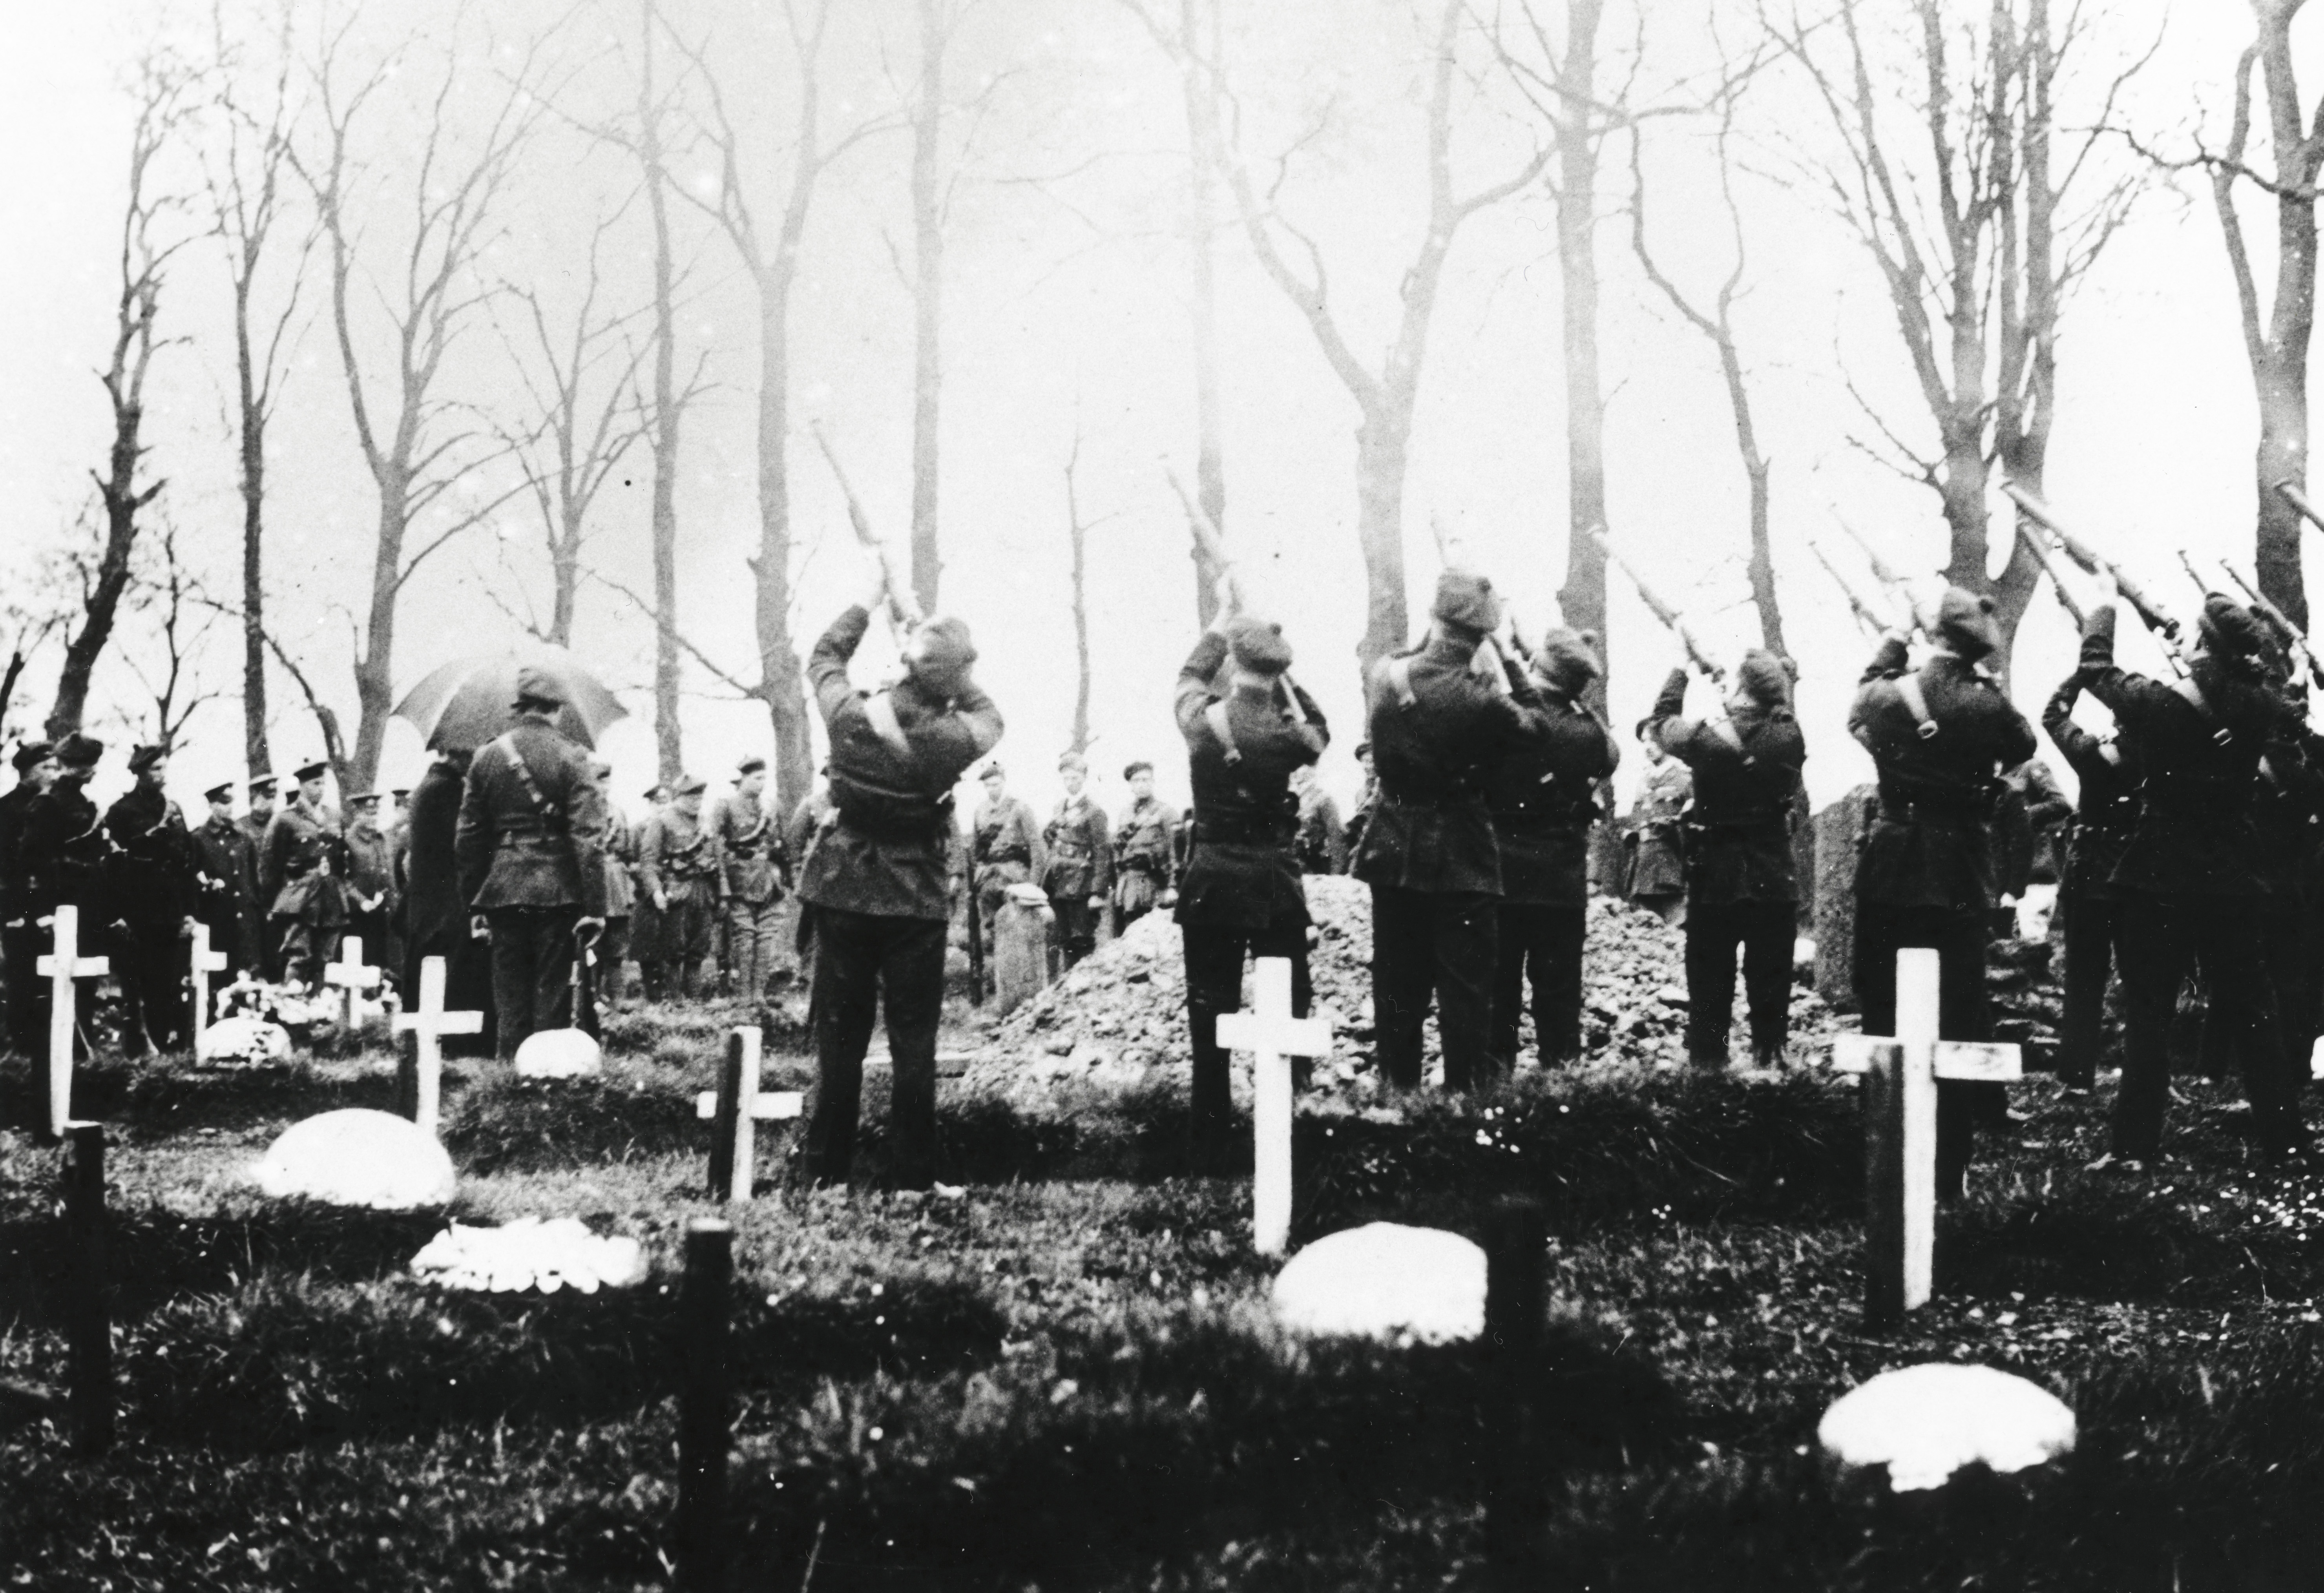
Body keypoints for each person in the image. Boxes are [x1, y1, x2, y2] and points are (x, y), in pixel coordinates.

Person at [2077, 588, 2313, 1166]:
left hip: (2159, 873)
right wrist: (2197, 656)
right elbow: (2275, 695)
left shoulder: (2160, 701)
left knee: (2149, 1012)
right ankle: (2285, 1143)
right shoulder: (2260, 701)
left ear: (2202, 641)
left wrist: (2104, 601)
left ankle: (2134, 1147)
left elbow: (2094, 669)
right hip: (2231, 875)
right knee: (2255, 1011)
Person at [795, 562, 1002, 1189]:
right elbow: (985, 706)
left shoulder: (851, 717)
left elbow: (824, 657)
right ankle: (912, 1177)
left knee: (840, 1040)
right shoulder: (960, 735)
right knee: (915, 1042)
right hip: (914, 898)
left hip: (844, 887)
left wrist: (866, 602)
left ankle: (825, 1173)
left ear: (907, 665)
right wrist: (930, 640)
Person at [1847, 588, 2037, 1200]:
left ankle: (1876, 1154)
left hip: (1892, 861)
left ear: (1930, 633)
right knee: (1957, 1012)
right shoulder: (1986, 704)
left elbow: (1862, 695)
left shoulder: (1886, 695)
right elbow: (2024, 744)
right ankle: (1949, 1168)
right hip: (1958, 868)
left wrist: (1894, 639)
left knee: (1879, 1006)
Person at [1351, 569, 1548, 1093]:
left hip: (1393, 845)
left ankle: (1397, 1097)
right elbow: (1538, 726)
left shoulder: (1384, 674)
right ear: (1483, 634)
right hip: (1462, 850)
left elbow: (1412, 660)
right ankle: (1462, 1107)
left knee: (1397, 985)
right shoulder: (1484, 699)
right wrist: (1508, 659)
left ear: (1435, 617)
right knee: (1465, 990)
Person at [1172, 587, 1329, 1162]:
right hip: (1274, 885)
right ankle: (1296, 1132)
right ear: (1278, 669)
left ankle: (1208, 1144)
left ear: (1234, 664)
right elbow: (1320, 727)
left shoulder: (1200, 721)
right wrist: (1286, 674)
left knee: (1208, 1014)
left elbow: (1190, 673)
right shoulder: (1291, 735)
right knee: (1288, 1013)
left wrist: (1219, 622)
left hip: (1211, 880)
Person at [1642, 650, 1807, 1071]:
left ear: (1741, 688)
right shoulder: (1790, 736)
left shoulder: (1707, 740)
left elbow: (1660, 723)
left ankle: (1707, 1071)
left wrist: (1680, 665)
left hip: (1716, 879)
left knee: (1710, 984)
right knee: (1770, 985)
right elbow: (1762, 723)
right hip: (1773, 878)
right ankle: (1770, 1067)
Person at [454, 668, 608, 1060]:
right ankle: (543, 1084)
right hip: (555, 895)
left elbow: (469, 839)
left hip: (504, 893)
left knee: (509, 995)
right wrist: (594, 908)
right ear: (557, 710)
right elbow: (588, 841)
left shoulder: (486, 758)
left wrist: (475, 903)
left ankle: (508, 1079)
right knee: (551, 993)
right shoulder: (573, 757)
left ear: (520, 708)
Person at [1487, 628, 1617, 1076]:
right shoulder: (1587, 730)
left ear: (1538, 665)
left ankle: (1492, 1090)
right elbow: (1610, 755)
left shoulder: (1506, 716)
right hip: (1560, 881)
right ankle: (1562, 1088)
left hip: (1501, 873)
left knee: (1496, 993)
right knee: (1559, 995)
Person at [20, 734, 111, 1075]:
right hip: (59, 906)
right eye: (87, 767)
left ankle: (81, 1053)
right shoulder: (47, 805)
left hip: (87, 905)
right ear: (73, 767)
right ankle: (56, 1057)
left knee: (84, 981)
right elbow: (33, 863)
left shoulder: (85, 805)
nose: (92, 773)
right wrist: (42, 912)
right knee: (54, 987)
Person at [102, 744, 201, 1054]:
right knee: (139, 986)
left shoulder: (173, 808)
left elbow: (187, 863)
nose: (162, 775)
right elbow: (112, 869)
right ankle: (139, 1051)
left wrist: (189, 912)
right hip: (138, 911)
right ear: (140, 772)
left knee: (170, 983)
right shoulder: (121, 812)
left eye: (164, 768)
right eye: (156, 769)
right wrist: (117, 914)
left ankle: (166, 1048)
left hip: (170, 909)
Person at [399, 749, 495, 1057]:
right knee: (452, 980)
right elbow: (464, 842)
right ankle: (457, 1050)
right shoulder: (446, 790)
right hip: (446, 906)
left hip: (430, 905)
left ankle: (436, 1049)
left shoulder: (432, 785)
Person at [261, 761, 348, 989]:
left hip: (330, 897)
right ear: (302, 786)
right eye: (315, 784)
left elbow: (342, 860)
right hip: (299, 899)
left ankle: (321, 1012)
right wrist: (271, 905)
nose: (321, 789)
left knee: (326, 959)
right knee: (299, 956)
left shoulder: (334, 816)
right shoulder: (285, 819)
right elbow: (270, 866)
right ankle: (293, 1012)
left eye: (323, 784)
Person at [714, 755, 789, 1000]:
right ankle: (744, 996)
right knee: (744, 939)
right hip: (739, 880)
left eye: (764, 779)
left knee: (766, 938)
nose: (761, 784)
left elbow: (780, 843)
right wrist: (723, 884)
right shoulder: (726, 805)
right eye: (757, 779)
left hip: (768, 880)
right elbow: (715, 844)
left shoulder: (771, 806)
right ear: (743, 779)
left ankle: (759, 995)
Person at [0, 740, 59, 1054]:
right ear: (27, 770)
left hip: (52, 911)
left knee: (51, 982)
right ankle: (22, 1050)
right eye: (46, 767)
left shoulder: (54, 808)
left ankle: (49, 1048)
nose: (54, 774)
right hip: (19, 913)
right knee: (22, 980)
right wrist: (12, 913)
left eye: (55, 767)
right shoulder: (7, 809)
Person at [638, 776, 719, 1000]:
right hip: (676, 890)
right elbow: (648, 861)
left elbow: (716, 856)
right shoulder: (663, 821)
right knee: (674, 949)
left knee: (699, 949)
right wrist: (656, 891)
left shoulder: (705, 822)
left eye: (700, 797)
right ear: (679, 797)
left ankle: (693, 1000)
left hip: (703, 890)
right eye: (692, 797)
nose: (697, 802)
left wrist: (721, 894)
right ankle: (675, 1002)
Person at [1041, 750, 1112, 969]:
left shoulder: (1094, 812)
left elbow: (1102, 853)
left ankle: (1085, 989)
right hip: (1058, 884)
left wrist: (1098, 892)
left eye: (1075, 778)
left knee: (1082, 940)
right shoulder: (1058, 808)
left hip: (1081, 885)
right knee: (1064, 940)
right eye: (1066, 778)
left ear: (1084, 778)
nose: (1071, 782)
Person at [191, 780, 263, 980]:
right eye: (223, 802)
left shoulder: (244, 838)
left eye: (230, 801)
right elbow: (192, 882)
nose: (228, 807)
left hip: (245, 921)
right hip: (217, 919)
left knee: (247, 978)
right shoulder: (199, 839)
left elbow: (254, 881)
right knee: (218, 976)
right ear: (211, 804)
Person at [969, 762, 1042, 957]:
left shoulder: (1019, 808)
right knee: (992, 933)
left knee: (1018, 927)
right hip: (989, 880)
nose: (992, 789)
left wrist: (1034, 885)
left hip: (1015, 876)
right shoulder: (980, 812)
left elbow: (1037, 847)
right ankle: (998, 981)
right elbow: (977, 852)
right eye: (988, 785)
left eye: (996, 784)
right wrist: (978, 876)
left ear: (1004, 782)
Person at [1623, 739, 1692, 923]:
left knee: (1677, 926)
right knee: (1647, 929)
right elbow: (1636, 817)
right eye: (1644, 741)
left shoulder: (1683, 777)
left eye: (1654, 740)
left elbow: (1696, 816)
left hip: (1671, 864)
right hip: (1643, 864)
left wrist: (1676, 824)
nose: (1648, 747)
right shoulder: (1644, 780)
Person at [341, 790, 402, 988]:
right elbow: (342, 880)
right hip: (359, 916)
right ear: (356, 814)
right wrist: (361, 901)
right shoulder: (348, 841)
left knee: (384, 965)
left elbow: (391, 877)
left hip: (383, 916)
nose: (372, 818)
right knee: (362, 966)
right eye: (367, 814)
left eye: (375, 814)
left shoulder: (383, 839)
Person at [1112, 761, 1179, 932]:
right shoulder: (1125, 815)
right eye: (1136, 781)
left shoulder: (1166, 812)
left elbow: (1175, 852)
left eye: (1146, 780)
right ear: (1131, 785)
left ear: (1153, 782)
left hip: (1155, 885)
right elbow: (1118, 852)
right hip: (1129, 886)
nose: (1141, 785)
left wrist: (1173, 887)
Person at [593, 762, 638, 1014]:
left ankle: (617, 998)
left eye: (606, 782)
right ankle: (595, 997)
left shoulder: (619, 813)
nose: (604, 787)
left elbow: (628, 850)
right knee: (593, 943)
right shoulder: (582, 811)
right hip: (594, 880)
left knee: (617, 944)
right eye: (599, 781)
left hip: (617, 884)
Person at [238, 774, 281, 978]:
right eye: (265, 796)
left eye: (273, 796)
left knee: (277, 956)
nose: (269, 802)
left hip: (277, 901)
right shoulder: (240, 827)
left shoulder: (281, 824)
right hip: (251, 903)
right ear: (253, 797)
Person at [1291, 764, 1349, 875]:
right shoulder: (1291, 800)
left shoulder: (1324, 800)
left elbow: (1336, 836)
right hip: (1299, 863)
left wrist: (1336, 872)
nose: (1297, 773)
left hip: (1320, 863)